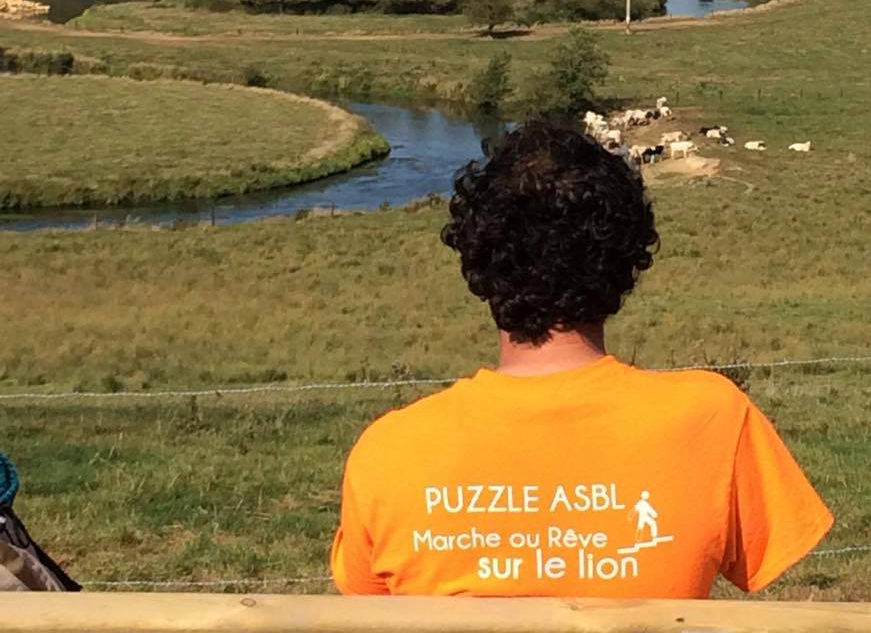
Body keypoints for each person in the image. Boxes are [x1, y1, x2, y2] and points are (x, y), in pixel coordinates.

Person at [331, 121, 831, 598]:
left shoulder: (389, 451)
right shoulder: (715, 421)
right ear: (625, 263)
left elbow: (364, 602)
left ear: (478, 261)